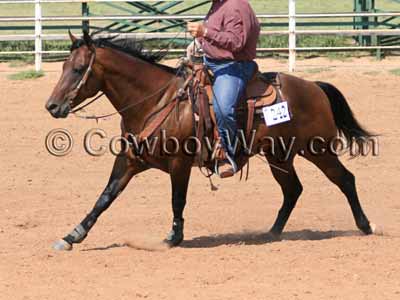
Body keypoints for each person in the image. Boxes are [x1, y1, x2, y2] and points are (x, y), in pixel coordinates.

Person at [187, 0, 260, 177]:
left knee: (223, 108)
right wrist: (199, 44)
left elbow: (236, 42)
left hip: (233, 66)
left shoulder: (235, 6)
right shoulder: (219, 4)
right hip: (212, 62)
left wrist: (204, 31)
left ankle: (229, 154)